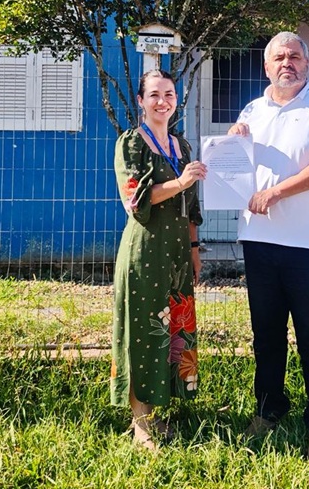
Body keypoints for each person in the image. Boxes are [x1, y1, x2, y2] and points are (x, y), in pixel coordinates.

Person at [227, 31, 309, 460]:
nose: (287, 63)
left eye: (294, 56)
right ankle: (269, 409)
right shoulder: (252, 109)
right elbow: (235, 164)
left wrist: (277, 192)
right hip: (258, 240)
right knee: (266, 335)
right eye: (278, 57)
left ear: (307, 62)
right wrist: (232, 141)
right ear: (266, 67)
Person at [110, 69, 207, 451]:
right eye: (153, 94)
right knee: (142, 332)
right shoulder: (131, 143)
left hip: (178, 254)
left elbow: (192, 207)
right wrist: (182, 182)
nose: (162, 101)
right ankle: (141, 424)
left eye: (168, 94)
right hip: (144, 252)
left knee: (170, 335)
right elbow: (135, 201)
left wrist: (195, 250)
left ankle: (159, 412)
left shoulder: (182, 146)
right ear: (140, 101)